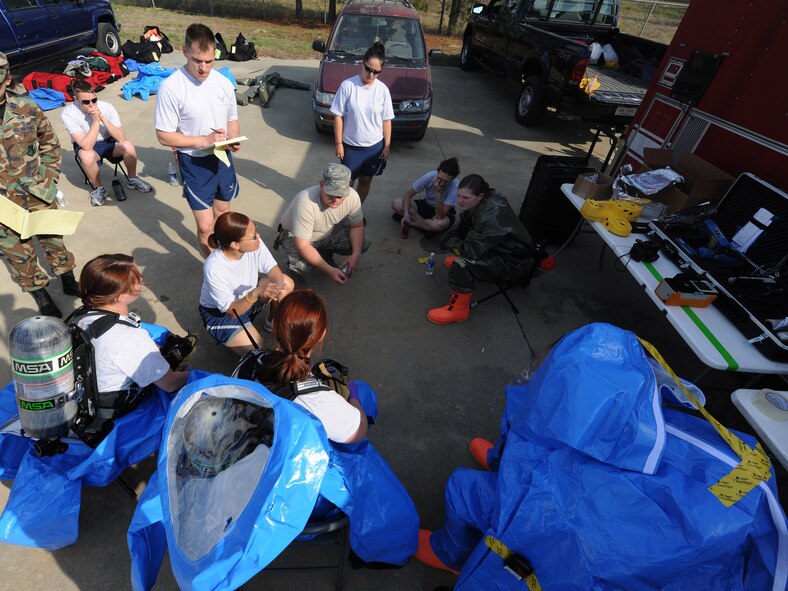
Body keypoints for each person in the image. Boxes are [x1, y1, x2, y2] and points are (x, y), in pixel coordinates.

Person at [71, 254, 191, 439]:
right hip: (111, 409)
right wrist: (194, 376)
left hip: (86, 391)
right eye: (136, 280)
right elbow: (170, 384)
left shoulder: (82, 316)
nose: (141, 279)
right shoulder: (129, 338)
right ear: (121, 297)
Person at [0, 51, 79, 318]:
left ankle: (68, 279)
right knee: (17, 254)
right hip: (2, 204)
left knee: (54, 240)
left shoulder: (27, 108)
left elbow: (50, 142)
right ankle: (42, 297)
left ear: (7, 80)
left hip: (38, 190)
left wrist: (49, 178)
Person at [155, 23, 241, 256]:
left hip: (222, 156)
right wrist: (205, 140)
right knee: (205, 226)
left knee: (224, 216)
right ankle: (213, 267)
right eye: (197, 61)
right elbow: (163, 135)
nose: (204, 68)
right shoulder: (171, 87)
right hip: (194, 162)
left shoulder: (223, 83)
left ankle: (226, 262)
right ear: (184, 52)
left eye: (209, 61)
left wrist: (232, 138)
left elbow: (232, 120)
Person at [244, 289, 368, 444]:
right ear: (321, 334)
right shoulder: (320, 401)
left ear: (275, 326)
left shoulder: (250, 360)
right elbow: (359, 431)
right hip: (282, 463)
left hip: (246, 444)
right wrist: (354, 397)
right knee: (365, 392)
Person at [427, 174, 536, 325]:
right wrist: (455, 235)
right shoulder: (488, 199)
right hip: (502, 250)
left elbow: (471, 250)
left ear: (480, 196)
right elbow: (469, 224)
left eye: (465, 197)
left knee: (462, 263)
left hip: (514, 263)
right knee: (463, 237)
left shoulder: (490, 218)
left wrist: (451, 243)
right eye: (459, 196)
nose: (460, 201)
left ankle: (459, 311)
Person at [199, 211, 294, 357]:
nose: (258, 237)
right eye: (253, 235)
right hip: (223, 314)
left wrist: (281, 299)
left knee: (286, 283)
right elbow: (231, 311)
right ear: (235, 244)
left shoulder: (254, 244)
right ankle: (231, 334)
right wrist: (256, 293)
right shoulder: (214, 268)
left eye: (255, 230)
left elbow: (272, 269)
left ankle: (273, 322)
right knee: (258, 350)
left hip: (250, 296)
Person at [61, 80, 152, 207]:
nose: (92, 104)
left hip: (109, 141)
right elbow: (86, 145)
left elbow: (121, 137)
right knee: (86, 156)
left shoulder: (107, 107)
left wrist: (102, 118)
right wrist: (96, 122)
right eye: (86, 102)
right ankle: (99, 189)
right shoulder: (68, 113)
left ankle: (133, 179)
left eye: (94, 100)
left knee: (128, 146)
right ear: (75, 99)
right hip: (89, 145)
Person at [276, 163, 370, 285]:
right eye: (331, 194)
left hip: (326, 230)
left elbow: (357, 226)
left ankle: (324, 253)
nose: (336, 199)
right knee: (300, 268)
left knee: (363, 243)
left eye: (341, 195)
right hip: (296, 236)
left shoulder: (352, 197)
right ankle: (296, 284)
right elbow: (303, 245)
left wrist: (355, 255)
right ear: (322, 185)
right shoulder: (305, 202)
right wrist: (329, 270)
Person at [330, 41, 394, 204]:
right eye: (368, 69)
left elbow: (386, 120)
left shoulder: (383, 90)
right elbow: (338, 115)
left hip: (374, 148)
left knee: (366, 181)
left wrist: (387, 145)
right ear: (362, 63)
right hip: (351, 147)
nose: (371, 75)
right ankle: (341, 214)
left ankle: (355, 212)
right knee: (346, 184)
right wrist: (339, 143)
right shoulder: (348, 86)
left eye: (376, 72)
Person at [391, 157, 460, 234]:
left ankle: (411, 223)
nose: (442, 183)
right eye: (440, 178)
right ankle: (426, 227)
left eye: (446, 181)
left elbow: (440, 216)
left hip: (444, 212)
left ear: (453, 179)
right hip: (427, 204)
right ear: (437, 172)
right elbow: (407, 195)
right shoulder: (429, 176)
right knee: (396, 203)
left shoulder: (455, 186)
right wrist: (406, 214)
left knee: (439, 224)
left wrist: (438, 193)